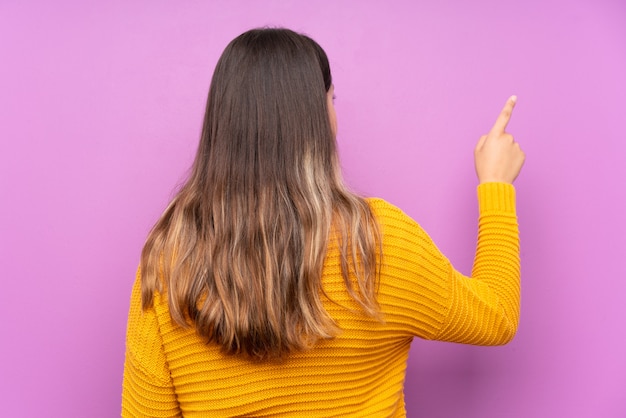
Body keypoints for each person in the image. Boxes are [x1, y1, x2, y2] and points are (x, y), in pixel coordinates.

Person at [122, 28, 525, 417]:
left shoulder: (168, 257)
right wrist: (495, 185)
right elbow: (496, 317)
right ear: (319, 117)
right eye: (332, 99)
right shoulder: (376, 241)